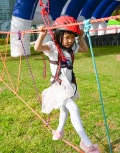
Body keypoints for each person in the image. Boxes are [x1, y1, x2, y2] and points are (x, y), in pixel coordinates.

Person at [34, 16, 100, 153]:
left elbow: (85, 49)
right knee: (73, 109)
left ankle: (59, 131)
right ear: (58, 35)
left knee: (64, 109)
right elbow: (37, 47)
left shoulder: (72, 48)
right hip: (58, 87)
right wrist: (41, 35)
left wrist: (80, 37)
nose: (70, 41)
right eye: (67, 37)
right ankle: (86, 143)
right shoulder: (52, 47)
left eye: (72, 37)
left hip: (69, 86)